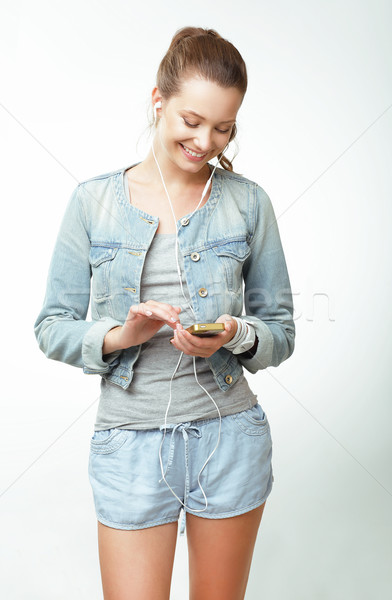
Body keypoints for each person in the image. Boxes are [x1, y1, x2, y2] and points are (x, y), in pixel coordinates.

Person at [34, 25, 295, 600]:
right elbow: (51, 326)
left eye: (224, 128)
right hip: (129, 443)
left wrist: (235, 333)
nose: (206, 141)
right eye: (192, 122)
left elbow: (280, 330)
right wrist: (122, 334)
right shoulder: (93, 203)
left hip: (230, 437)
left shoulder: (249, 203)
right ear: (159, 101)